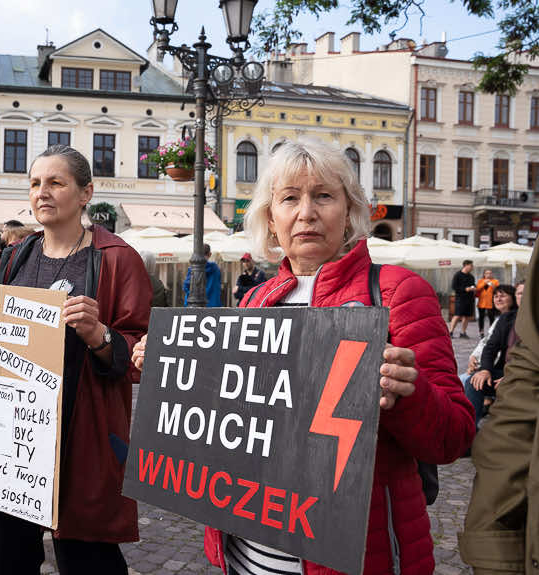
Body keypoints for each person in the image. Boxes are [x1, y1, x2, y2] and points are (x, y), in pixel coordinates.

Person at [132, 139, 474, 575]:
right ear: (271, 220)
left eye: (324, 196)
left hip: (355, 553)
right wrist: (172, 367)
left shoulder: (397, 292)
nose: (306, 212)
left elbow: (454, 437)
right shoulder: (255, 300)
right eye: (290, 198)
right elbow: (232, 416)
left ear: (350, 211)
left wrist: (409, 393)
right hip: (248, 554)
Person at [0, 144, 150, 574]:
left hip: (82, 440)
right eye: (34, 183)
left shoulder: (117, 259)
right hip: (12, 443)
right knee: (11, 558)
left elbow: (139, 354)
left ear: (85, 193)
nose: (41, 192)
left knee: (88, 559)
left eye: (55, 182)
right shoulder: (14, 257)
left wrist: (100, 335)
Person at [460, 245, 539, 571]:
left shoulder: (508, 319)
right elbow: (504, 355)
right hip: (504, 381)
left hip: (507, 380)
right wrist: (485, 371)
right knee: (469, 382)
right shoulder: (506, 320)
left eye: (512, 293)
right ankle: (473, 425)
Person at [459, 283, 519, 431]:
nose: (498, 299)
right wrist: (483, 368)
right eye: (496, 296)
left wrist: (513, 375)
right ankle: (468, 432)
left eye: (502, 296)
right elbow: (489, 346)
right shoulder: (505, 319)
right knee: (472, 380)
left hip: (523, 374)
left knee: (463, 380)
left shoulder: (530, 320)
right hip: (500, 370)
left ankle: (486, 404)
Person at [449, 260, 476, 338]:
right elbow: (454, 287)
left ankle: (463, 332)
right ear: (466, 265)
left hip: (469, 299)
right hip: (460, 298)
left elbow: (473, 284)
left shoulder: (471, 276)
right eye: (471, 266)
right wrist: (465, 289)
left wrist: (474, 288)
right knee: (457, 315)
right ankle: (450, 332)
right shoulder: (457, 275)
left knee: (466, 316)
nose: (472, 267)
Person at [475, 269, 500, 338]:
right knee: (481, 317)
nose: (488, 275)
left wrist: (492, 285)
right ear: (484, 274)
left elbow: (497, 290)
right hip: (481, 302)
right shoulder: (480, 281)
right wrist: (484, 283)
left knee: (491, 317)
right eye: (487, 273)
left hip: (490, 302)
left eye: (490, 273)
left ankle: (491, 331)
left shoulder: (495, 281)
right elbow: (477, 289)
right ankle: (481, 331)